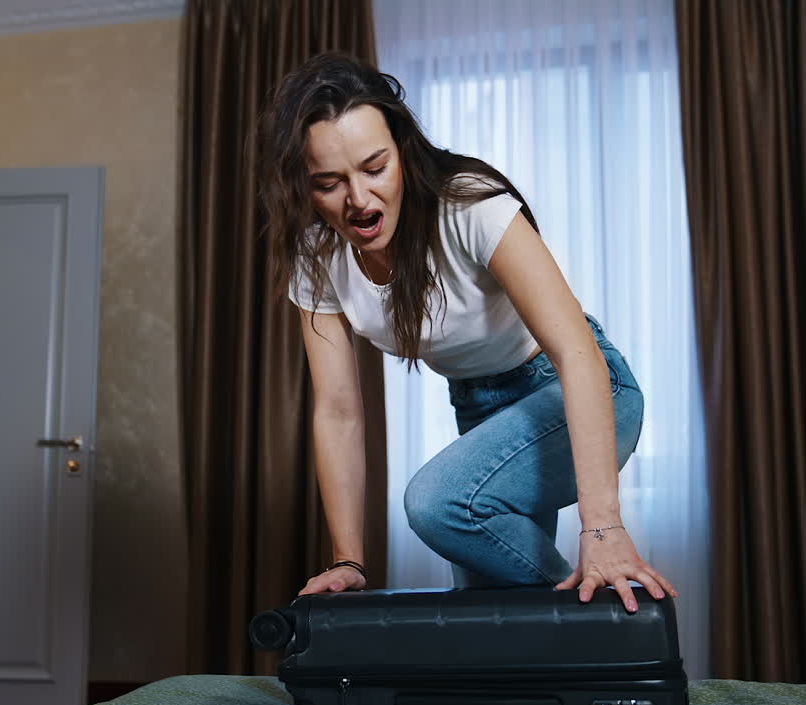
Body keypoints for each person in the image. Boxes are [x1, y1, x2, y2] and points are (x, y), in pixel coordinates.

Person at [258, 52, 678, 613]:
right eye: (329, 183)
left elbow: (577, 354)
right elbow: (337, 409)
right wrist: (348, 561)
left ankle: (605, 619)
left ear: (402, 152)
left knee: (437, 504)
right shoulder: (317, 254)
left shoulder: (469, 204)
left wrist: (601, 531)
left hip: (579, 388)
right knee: (491, 617)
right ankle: (574, 637)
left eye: (374, 168)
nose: (358, 200)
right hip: (482, 413)